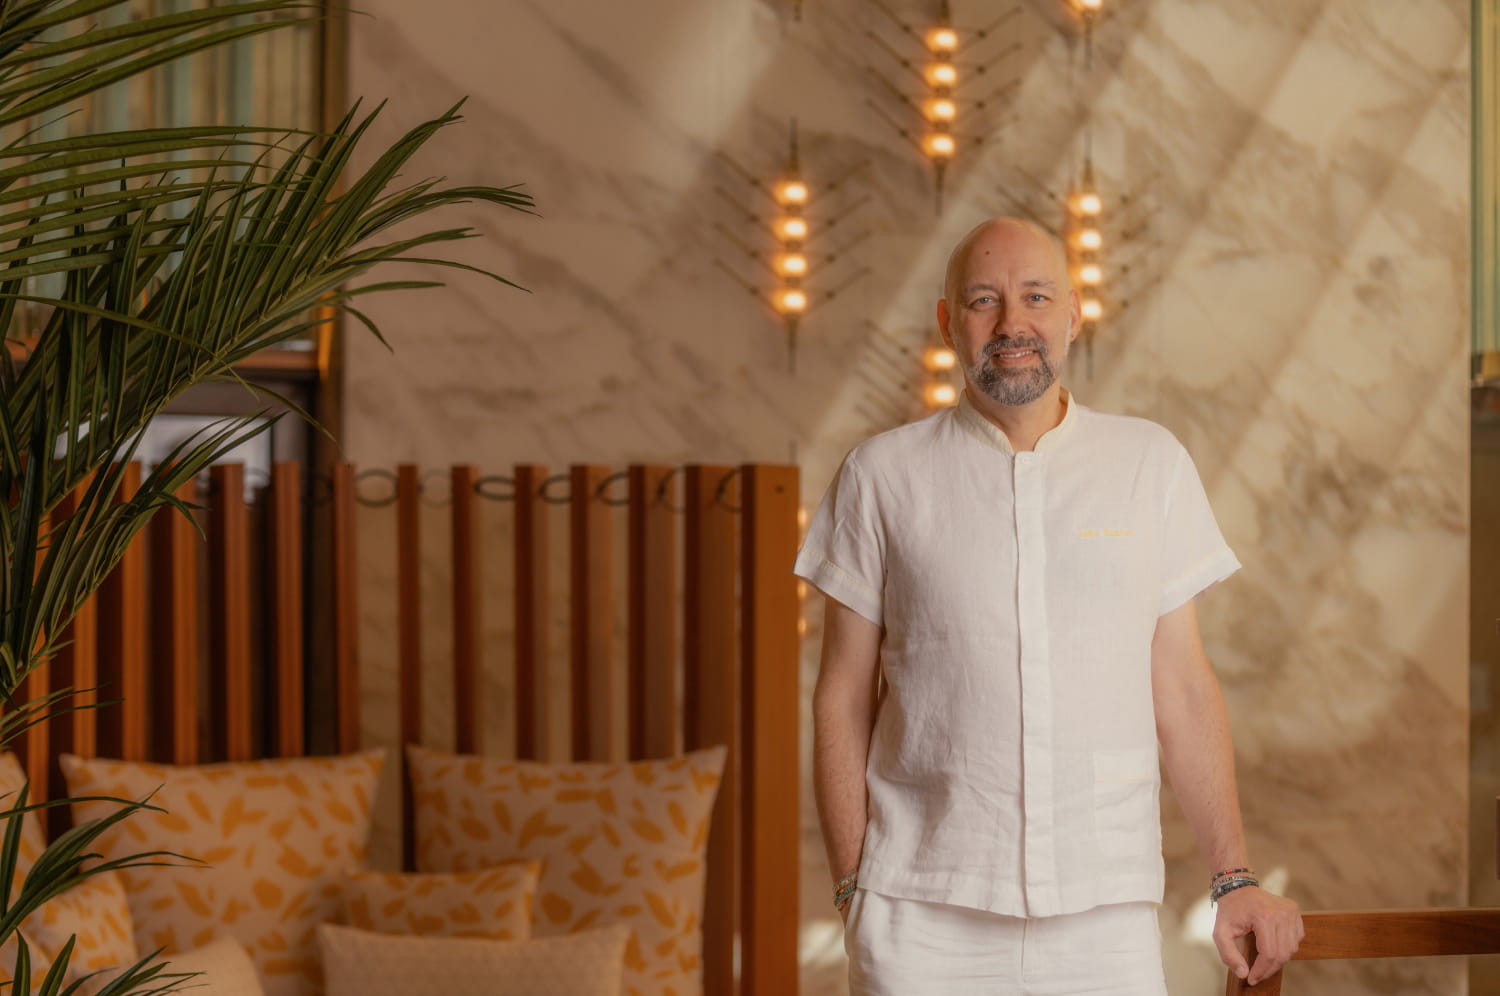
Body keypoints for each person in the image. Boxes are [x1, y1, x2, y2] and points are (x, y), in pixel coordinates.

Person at [796, 217, 1303, 994]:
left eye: (1036, 297)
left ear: (1073, 314)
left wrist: (1232, 877)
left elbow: (1181, 685)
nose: (1012, 323)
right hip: (920, 916)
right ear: (948, 322)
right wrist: (851, 885)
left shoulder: (1150, 464)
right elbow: (841, 695)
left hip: (1105, 916)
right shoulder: (880, 476)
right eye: (984, 300)